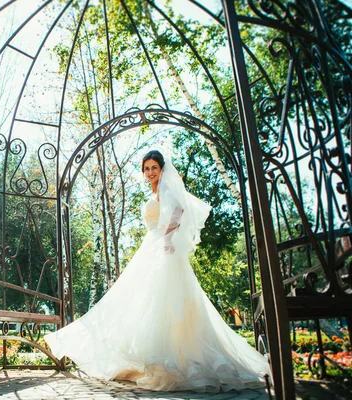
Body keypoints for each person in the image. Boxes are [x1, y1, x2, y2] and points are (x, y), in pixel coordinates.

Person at [44, 150, 271, 392]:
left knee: (167, 302)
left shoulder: (167, 188)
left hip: (164, 248)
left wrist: (168, 237)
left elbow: (180, 210)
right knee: (142, 300)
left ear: (162, 169)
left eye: (154, 167)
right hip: (152, 246)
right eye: (146, 168)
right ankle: (152, 360)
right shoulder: (155, 191)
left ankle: (174, 362)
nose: (150, 172)